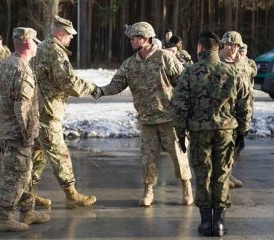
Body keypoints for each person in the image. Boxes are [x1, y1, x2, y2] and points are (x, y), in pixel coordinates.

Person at [92, 21, 193, 207]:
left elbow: (183, 82)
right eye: (130, 38)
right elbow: (117, 84)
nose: (131, 41)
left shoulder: (165, 58)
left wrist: (183, 108)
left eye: (134, 38)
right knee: (148, 158)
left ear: (146, 38)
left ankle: (186, 188)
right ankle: (148, 191)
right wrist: (101, 91)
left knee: (178, 156)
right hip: (146, 119)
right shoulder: (130, 64)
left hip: (168, 118)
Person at [172, 31, 252, 237]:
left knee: (203, 175)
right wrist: (242, 132)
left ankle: (206, 222)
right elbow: (245, 105)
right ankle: (220, 223)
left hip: (199, 132)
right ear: (218, 48)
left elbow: (179, 106)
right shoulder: (233, 72)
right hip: (226, 132)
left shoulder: (190, 72)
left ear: (200, 48)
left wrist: (180, 133)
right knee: (222, 175)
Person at [33, 15, 97, 209]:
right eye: (69, 35)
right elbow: (69, 83)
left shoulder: (41, 48)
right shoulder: (55, 51)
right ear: (60, 33)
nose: (71, 38)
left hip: (36, 111)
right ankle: (71, 194)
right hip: (48, 113)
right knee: (60, 154)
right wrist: (92, 88)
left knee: (37, 154)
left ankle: (26, 194)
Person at [0, 27, 50, 232]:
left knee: (24, 172)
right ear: (27, 44)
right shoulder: (21, 69)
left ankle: (27, 211)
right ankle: (4, 216)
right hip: (17, 133)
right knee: (16, 175)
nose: (37, 45)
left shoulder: (7, 63)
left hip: (6, 129)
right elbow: (23, 109)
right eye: (35, 42)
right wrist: (28, 136)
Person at [219, 31, 255, 188]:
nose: (231, 48)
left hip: (243, 111)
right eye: (228, 44)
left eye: (234, 45)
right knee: (223, 147)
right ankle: (222, 177)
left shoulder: (244, 63)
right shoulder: (218, 62)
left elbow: (247, 88)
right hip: (224, 113)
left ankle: (229, 173)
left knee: (238, 145)